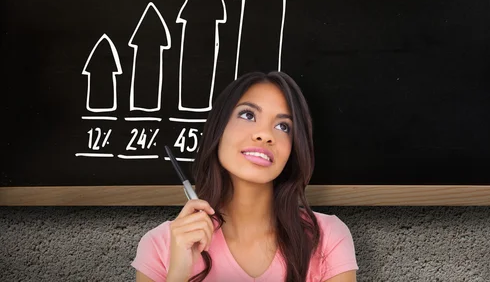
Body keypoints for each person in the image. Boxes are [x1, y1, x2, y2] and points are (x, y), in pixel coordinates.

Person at [132, 71, 358, 282]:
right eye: (248, 115)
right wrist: (179, 271)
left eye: (283, 126)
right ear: (218, 129)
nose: (265, 135)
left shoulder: (327, 238)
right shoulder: (160, 245)